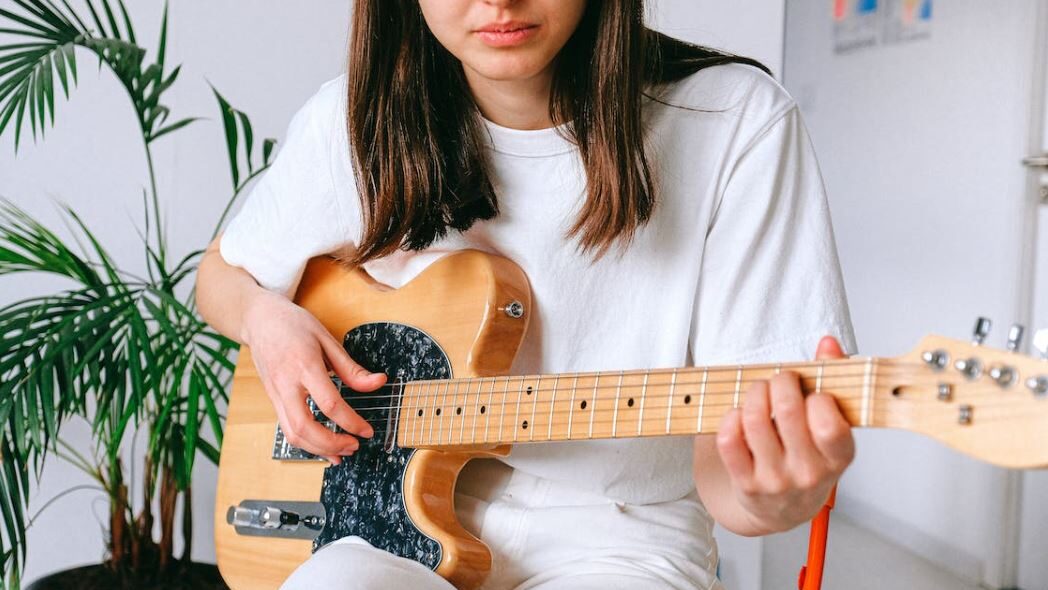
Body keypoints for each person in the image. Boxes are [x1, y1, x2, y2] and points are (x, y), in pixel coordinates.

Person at [195, 1, 859, 588]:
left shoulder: (734, 122)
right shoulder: (352, 123)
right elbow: (222, 276)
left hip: (625, 544)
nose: (497, 1)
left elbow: (735, 493)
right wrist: (265, 320)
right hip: (378, 533)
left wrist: (774, 494)